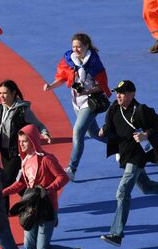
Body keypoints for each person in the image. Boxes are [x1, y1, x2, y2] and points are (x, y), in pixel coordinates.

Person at [99, 80, 158, 247]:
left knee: (122, 192)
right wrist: (104, 130)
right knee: (146, 187)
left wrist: (146, 135)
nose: (118, 95)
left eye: (122, 93)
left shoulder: (141, 111)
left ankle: (117, 233)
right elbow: (109, 124)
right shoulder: (114, 108)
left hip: (137, 155)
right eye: (118, 92)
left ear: (132, 95)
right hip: (124, 154)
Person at [3, 125, 82, 249]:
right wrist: (2, 191)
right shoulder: (24, 161)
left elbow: (63, 177)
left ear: (33, 141)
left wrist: (47, 189)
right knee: (29, 247)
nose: (22, 145)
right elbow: (22, 183)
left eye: (25, 141)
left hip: (47, 210)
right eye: (20, 142)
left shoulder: (47, 159)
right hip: (31, 210)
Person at [43, 33, 111, 181]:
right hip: (76, 102)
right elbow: (62, 77)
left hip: (90, 101)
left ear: (86, 46)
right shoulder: (69, 59)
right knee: (94, 134)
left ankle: (71, 169)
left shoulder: (94, 62)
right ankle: (122, 143)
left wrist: (87, 90)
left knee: (78, 131)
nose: (76, 49)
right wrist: (50, 86)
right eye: (74, 46)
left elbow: (102, 86)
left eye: (79, 46)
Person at [0, 80, 51, 209]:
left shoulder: (23, 111)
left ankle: (3, 212)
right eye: (0, 93)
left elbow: (38, 124)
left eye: (5, 93)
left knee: (4, 182)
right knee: (18, 185)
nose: (2, 96)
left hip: (18, 152)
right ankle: (37, 202)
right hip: (5, 153)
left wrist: (44, 133)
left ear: (13, 93)